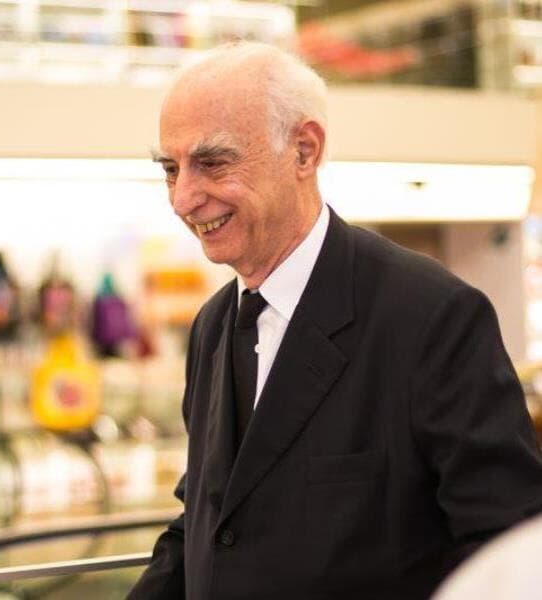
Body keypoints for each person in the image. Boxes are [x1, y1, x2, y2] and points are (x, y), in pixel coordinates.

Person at [127, 42, 542, 600]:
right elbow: (204, 523)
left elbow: (507, 546)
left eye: (213, 162)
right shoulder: (212, 326)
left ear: (304, 150)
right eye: (170, 169)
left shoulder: (431, 317)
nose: (182, 199)